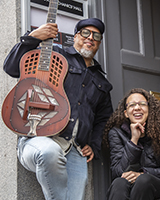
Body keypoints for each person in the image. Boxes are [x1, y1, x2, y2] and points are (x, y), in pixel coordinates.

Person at [3, 18, 113, 200]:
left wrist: (94, 145)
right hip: (38, 139)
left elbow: (103, 119)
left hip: (75, 149)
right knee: (49, 152)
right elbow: (12, 68)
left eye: (96, 36)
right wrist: (32, 38)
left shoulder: (102, 82)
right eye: (85, 33)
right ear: (75, 36)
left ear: (99, 42)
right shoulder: (54, 55)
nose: (90, 38)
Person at [103, 88, 160, 200]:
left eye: (142, 104)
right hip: (131, 184)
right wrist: (134, 140)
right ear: (126, 113)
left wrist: (143, 173)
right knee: (118, 183)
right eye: (132, 105)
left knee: (144, 180)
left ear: (150, 109)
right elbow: (118, 172)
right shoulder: (116, 133)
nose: (137, 108)